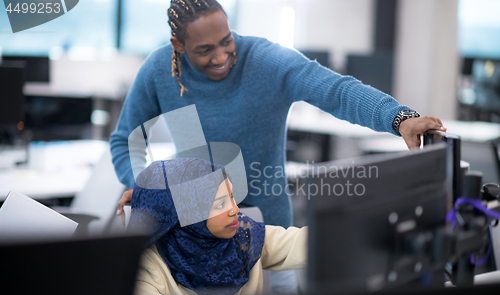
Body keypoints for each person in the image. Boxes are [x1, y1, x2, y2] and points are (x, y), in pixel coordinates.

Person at [111, 0, 446, 229]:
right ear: (179, 45)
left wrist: (398, 117)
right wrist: (142, 185)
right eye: (205, 50)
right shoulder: (159, 69)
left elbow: (337, 90)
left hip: (268, 230)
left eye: (226, 41)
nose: (222, 57)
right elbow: (126, 140)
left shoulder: (266, 61)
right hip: (195, 232)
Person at [129, 158, 307, 295]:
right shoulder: (147, 267)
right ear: (187, 218)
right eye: (220, 204)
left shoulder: (245, 237)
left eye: (232, 197)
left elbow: (307, 242)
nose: (235, 209)